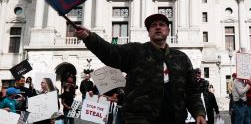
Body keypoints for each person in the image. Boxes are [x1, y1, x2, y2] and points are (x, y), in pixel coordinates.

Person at [74, 13, 206, 124]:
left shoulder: (181, 58)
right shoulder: (135, 51)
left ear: (168, 30)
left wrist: (199, 112)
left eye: (162, 24)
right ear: (149, 32)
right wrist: (89, 37)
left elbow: (191, 90)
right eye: (153, 25)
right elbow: (110, 52)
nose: (158, 27)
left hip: (175, 119)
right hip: (139, 119)